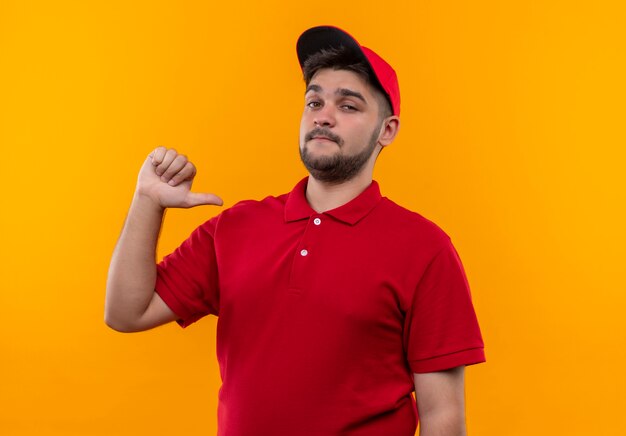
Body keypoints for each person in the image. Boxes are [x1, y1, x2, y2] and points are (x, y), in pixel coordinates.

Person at [105, 25, 485, 436]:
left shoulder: (425, 249)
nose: (323, 115)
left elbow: (443, 417)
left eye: (349, 106)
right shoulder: (235, 228)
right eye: (314, 101)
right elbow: (127, 312)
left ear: (387, 130)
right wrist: (147, 202)